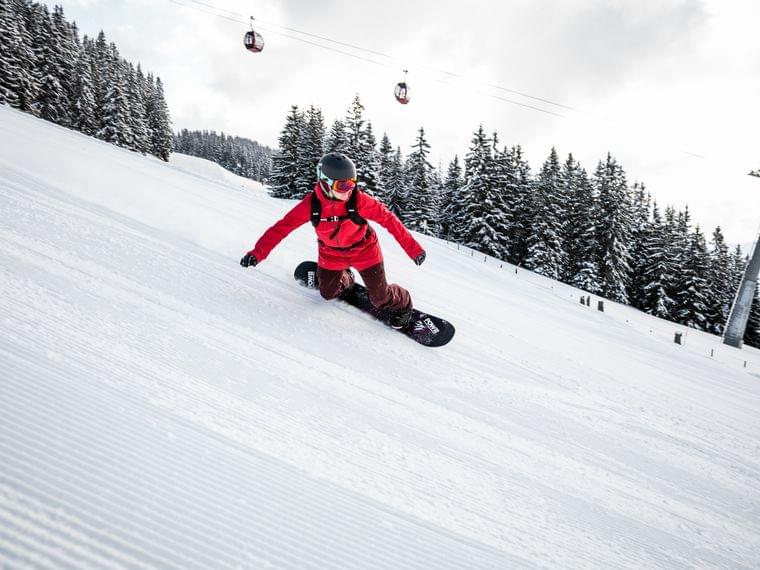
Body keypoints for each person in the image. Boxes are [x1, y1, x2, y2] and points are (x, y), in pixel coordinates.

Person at [240, 152, 426, 329]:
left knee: (380, 299)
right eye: (343, 186)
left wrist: (414, 250)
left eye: (352, 184)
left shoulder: (359, 201)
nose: (349, 190)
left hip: (365, 251)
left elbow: (389, 220)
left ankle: (404, 303)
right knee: (327, 294)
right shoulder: (311, 205)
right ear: (325, 183)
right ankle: (346, 277)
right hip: (331, 254)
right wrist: (257, 253)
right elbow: (282, 228)